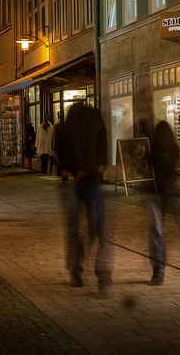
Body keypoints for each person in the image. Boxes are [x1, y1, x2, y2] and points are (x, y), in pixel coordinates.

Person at [55, 103, 113, 297]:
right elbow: (103, 145)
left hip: (77, 179)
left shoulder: (68, 124)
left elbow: (61, 150)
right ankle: (102, 277)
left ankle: (77, 270)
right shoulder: (95, 119)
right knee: (98, 228)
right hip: (92, 178)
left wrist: (69, 169)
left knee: (74, 228)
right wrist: (100, 165)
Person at [146, 120, 180, 285]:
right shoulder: (173, 150)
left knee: (156, 230)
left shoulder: (153, 149)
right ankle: (163, 267)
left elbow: (148, 168)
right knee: (162, 229)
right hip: (169, 191)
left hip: (156, 192)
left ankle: (159, 269)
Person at [52, 111, 68, 181]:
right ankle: (64, 175)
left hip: (59, 146)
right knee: (63, 161)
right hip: (62, 146)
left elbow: (54, 137)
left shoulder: (58, 126)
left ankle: (62, 174)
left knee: (60, 161)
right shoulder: (65, 125)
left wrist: (53, 146)